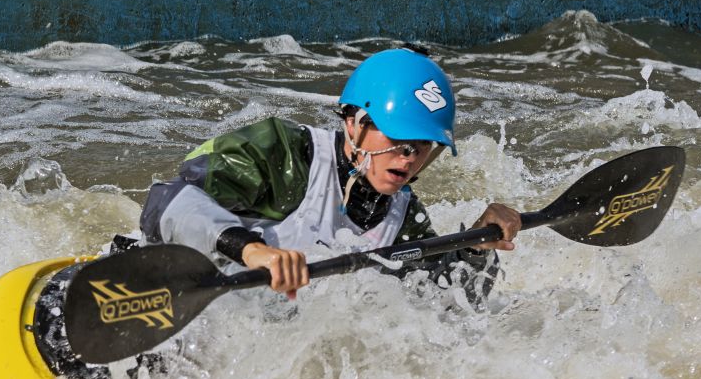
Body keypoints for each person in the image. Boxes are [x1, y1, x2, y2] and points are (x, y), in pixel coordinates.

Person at [139, 47, 521, 301]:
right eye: (399, 139)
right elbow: (165, 202)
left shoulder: (403, 217)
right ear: (354, 123)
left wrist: (476, 246)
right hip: (155, 292)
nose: (408, 158)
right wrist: (252, 250)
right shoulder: (285, 153)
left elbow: (444, 304)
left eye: (422, 146)